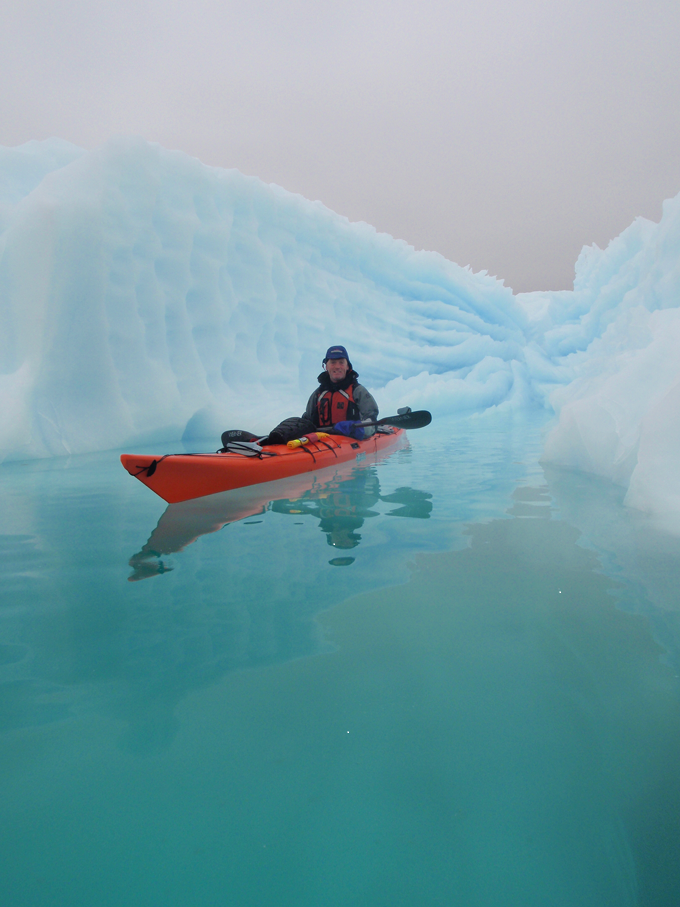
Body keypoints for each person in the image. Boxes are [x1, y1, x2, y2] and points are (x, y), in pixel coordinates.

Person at [303, 345, 378, 437]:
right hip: (322, 440)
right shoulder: (317, 394)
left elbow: (372, 422)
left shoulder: (358, 392)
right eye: (333, 363)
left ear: (347, 367)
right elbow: (307, 421)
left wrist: (355, 428)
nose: (337, 367)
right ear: (326, 366)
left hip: (351, 440)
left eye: (341, 363)